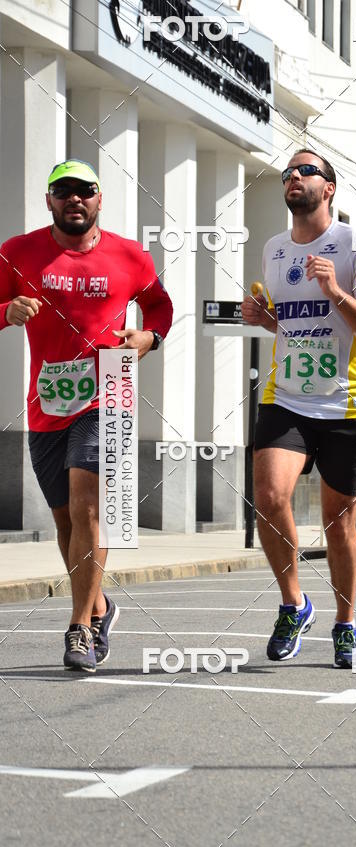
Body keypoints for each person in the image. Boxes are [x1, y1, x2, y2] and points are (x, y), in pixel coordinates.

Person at [0, 159, 173, 671]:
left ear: (100, 200)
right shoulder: (18, 252)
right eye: (64, 191)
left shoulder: (130, 256)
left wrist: (148, 337)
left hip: (109, 389)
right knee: (62, 518)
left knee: (87, 508)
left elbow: (160, 306)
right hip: (46, 401)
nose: (75, 199)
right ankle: (99, 606)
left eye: (85, 191)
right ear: (49, 201)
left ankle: (79, 629)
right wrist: (6, 312)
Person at [241, 149, 356, 667]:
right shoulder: (274, 249)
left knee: (338, 524)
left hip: (346, 403)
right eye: (287, 173)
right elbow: (293, 327)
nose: (293, 177)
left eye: (306, 171)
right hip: (285, 397)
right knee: (268, 494)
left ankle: (345, 623)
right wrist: (264, 319)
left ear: (329, 187)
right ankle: (294, 604)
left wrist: (335, 292)